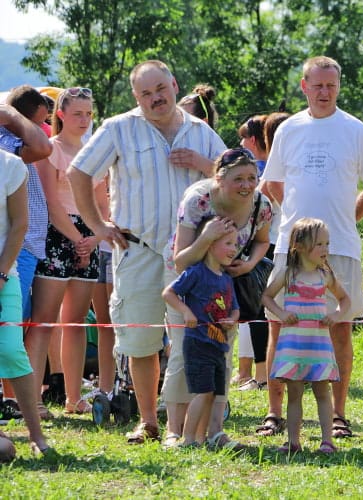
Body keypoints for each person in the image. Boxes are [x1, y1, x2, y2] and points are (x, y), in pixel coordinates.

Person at [67, 60, 226, 444]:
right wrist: (97, 226)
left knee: (188, 338)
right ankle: (148, 421)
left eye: (161, 89)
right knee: (140, 342)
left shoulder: (201, 132)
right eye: (146, 93)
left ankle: (183, 426)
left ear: (174, 84)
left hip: (190, 255)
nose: (156, 98)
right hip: (135, 248)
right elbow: (79, 172)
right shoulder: (119, 128)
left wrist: (204, 165)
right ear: (136, 97)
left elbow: (234, 178)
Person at [262, 56, 363, 439]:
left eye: (331, 85)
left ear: (338, 86)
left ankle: (338, 416)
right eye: (317, 85)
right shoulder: (288, 129)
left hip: (340, 248)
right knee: (278, 327)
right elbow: (272, 184)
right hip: (289, 249)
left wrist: (345, 221)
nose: (324, 92)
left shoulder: (355, 129)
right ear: (304, 86)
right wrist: (298, 228)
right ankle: (274, 413)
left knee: (340, 329)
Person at [160, 147, 271, 449]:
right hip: (189, 284)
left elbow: (263, 241)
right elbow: (180, 260)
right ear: (219, 178)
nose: (247, 185)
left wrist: (247, 265)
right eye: (239, 179)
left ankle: (214, 432)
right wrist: (207, 237)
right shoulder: (198, 200)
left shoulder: (261, 204)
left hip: (224, 286)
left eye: (252, 177)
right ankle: (175, 430)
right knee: (184, 355)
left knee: (221, 356)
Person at [26, 87, 108, 416]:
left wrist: (97, 234)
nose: (84, 120)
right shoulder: (51, 150)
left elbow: (102, 201)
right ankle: (31, 400)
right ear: (60, 114)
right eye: (78, 113)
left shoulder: (94, 153)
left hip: (88, 237)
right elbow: (51, 202)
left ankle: (74, 398)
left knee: (75, 322)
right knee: (44, 322)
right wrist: (78, 238)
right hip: (58, 236)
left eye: (89, 114)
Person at [262, 218, 351, 454]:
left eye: (327, 243)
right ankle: (293, 442)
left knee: (323, 392)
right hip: (293, 344)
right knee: (295, 394)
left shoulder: (325, 275)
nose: (325, 249)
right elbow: (267, 297)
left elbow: (345, 300)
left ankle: (327, 441)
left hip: (318, 344)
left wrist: (335, 315)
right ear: (299, 246)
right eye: (319, 244)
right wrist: (282, 313)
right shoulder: (288, 274)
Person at [162, 222, 240, 447]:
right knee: (203, 393)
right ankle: (187, 439)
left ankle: (200, 437)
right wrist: (186, 312)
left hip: (219, 345)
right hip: (198, 343)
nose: (234, 249)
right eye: (228, 243)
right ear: (209, 245)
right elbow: (169, 293)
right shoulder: (195, 273)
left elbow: (234, 307)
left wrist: (232, 320)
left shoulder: (226, 278)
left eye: (235, 244)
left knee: (213, 394)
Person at [0, 90, 53, 419]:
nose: (45, 125)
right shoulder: (6, 141)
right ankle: (13, 401)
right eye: (43, 118)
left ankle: (13, 401)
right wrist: (13, 114)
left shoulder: (11, 134)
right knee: (11, 328)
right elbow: (43, 148)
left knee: (16, 328)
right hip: (13, 248)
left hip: (28, 245)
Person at [234, 114, 268, 390]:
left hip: (262, 256)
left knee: (258, 315)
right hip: (246, 258)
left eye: (244, 137)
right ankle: (248, 371)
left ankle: (262, 374)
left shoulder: (264, 176)